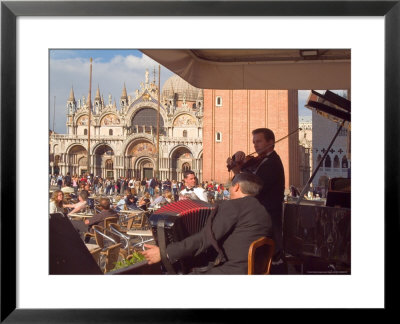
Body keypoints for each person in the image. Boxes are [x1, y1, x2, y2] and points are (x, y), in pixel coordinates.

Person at [142, 173, 272, 274]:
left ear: (236, 186)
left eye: (230, 186)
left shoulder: (233, 206)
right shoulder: (263, 210)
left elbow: (206, 238)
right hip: (254, 270)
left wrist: (165, 253)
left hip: (234, 271)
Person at [227, 128, 285, 271]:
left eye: (259, 141)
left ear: (271, 142)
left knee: (264, 261)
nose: (255, 145)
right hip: (260, 218)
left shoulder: (272, 163)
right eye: (254, 142)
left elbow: (252, 188)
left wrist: (237, 171)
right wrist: (237, 158)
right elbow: (248, 174)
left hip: (267, 220)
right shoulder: (260, 161)